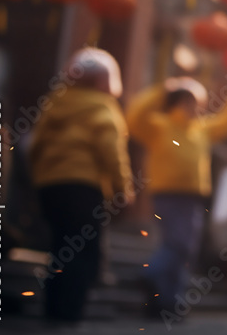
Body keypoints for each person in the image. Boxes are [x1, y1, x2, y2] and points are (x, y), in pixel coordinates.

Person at [126, 76, 227, 317]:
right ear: (178, 102)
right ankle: (150, 275)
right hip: (167, 194)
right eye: (190, 102)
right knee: (178, 244)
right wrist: (162, 88)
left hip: (193, 198)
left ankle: (167, 303)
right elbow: (135, 117)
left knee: (185, 249)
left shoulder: (201, 128)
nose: (196, 107)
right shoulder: (159, 124)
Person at [29, 48, 134, 324]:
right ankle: (69, 314)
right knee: (83, 250)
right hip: (84, 188)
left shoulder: (55, 102)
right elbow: (113, 153)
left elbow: (35, 146)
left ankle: (52, 308)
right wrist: (124, 189)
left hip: (51, 186)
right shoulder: (103, 107)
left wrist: (36, 182)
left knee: (59, 246)